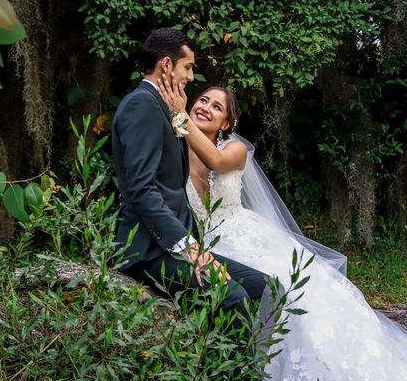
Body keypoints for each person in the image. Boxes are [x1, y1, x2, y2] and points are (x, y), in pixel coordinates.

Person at [156, 77, 407, 380]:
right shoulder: (174, 149)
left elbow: (216, 161)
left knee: (301, 292)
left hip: (249, 236)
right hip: (207, 242)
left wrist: (180, 115)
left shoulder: (235, 149)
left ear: (227, 122)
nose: (206, 107)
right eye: (203, 100)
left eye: (217, 106)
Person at [111, 28, 267, 321]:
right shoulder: (141, 105)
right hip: (148, 250)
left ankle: (224, 356)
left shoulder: (165, 108)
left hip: (178, 242)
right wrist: (189, 249)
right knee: (233, 297)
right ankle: (226, 368)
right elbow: (142, 190)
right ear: (167, 65)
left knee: (262, 285)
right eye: (189, 67)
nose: (192, 77)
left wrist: (197, 245)